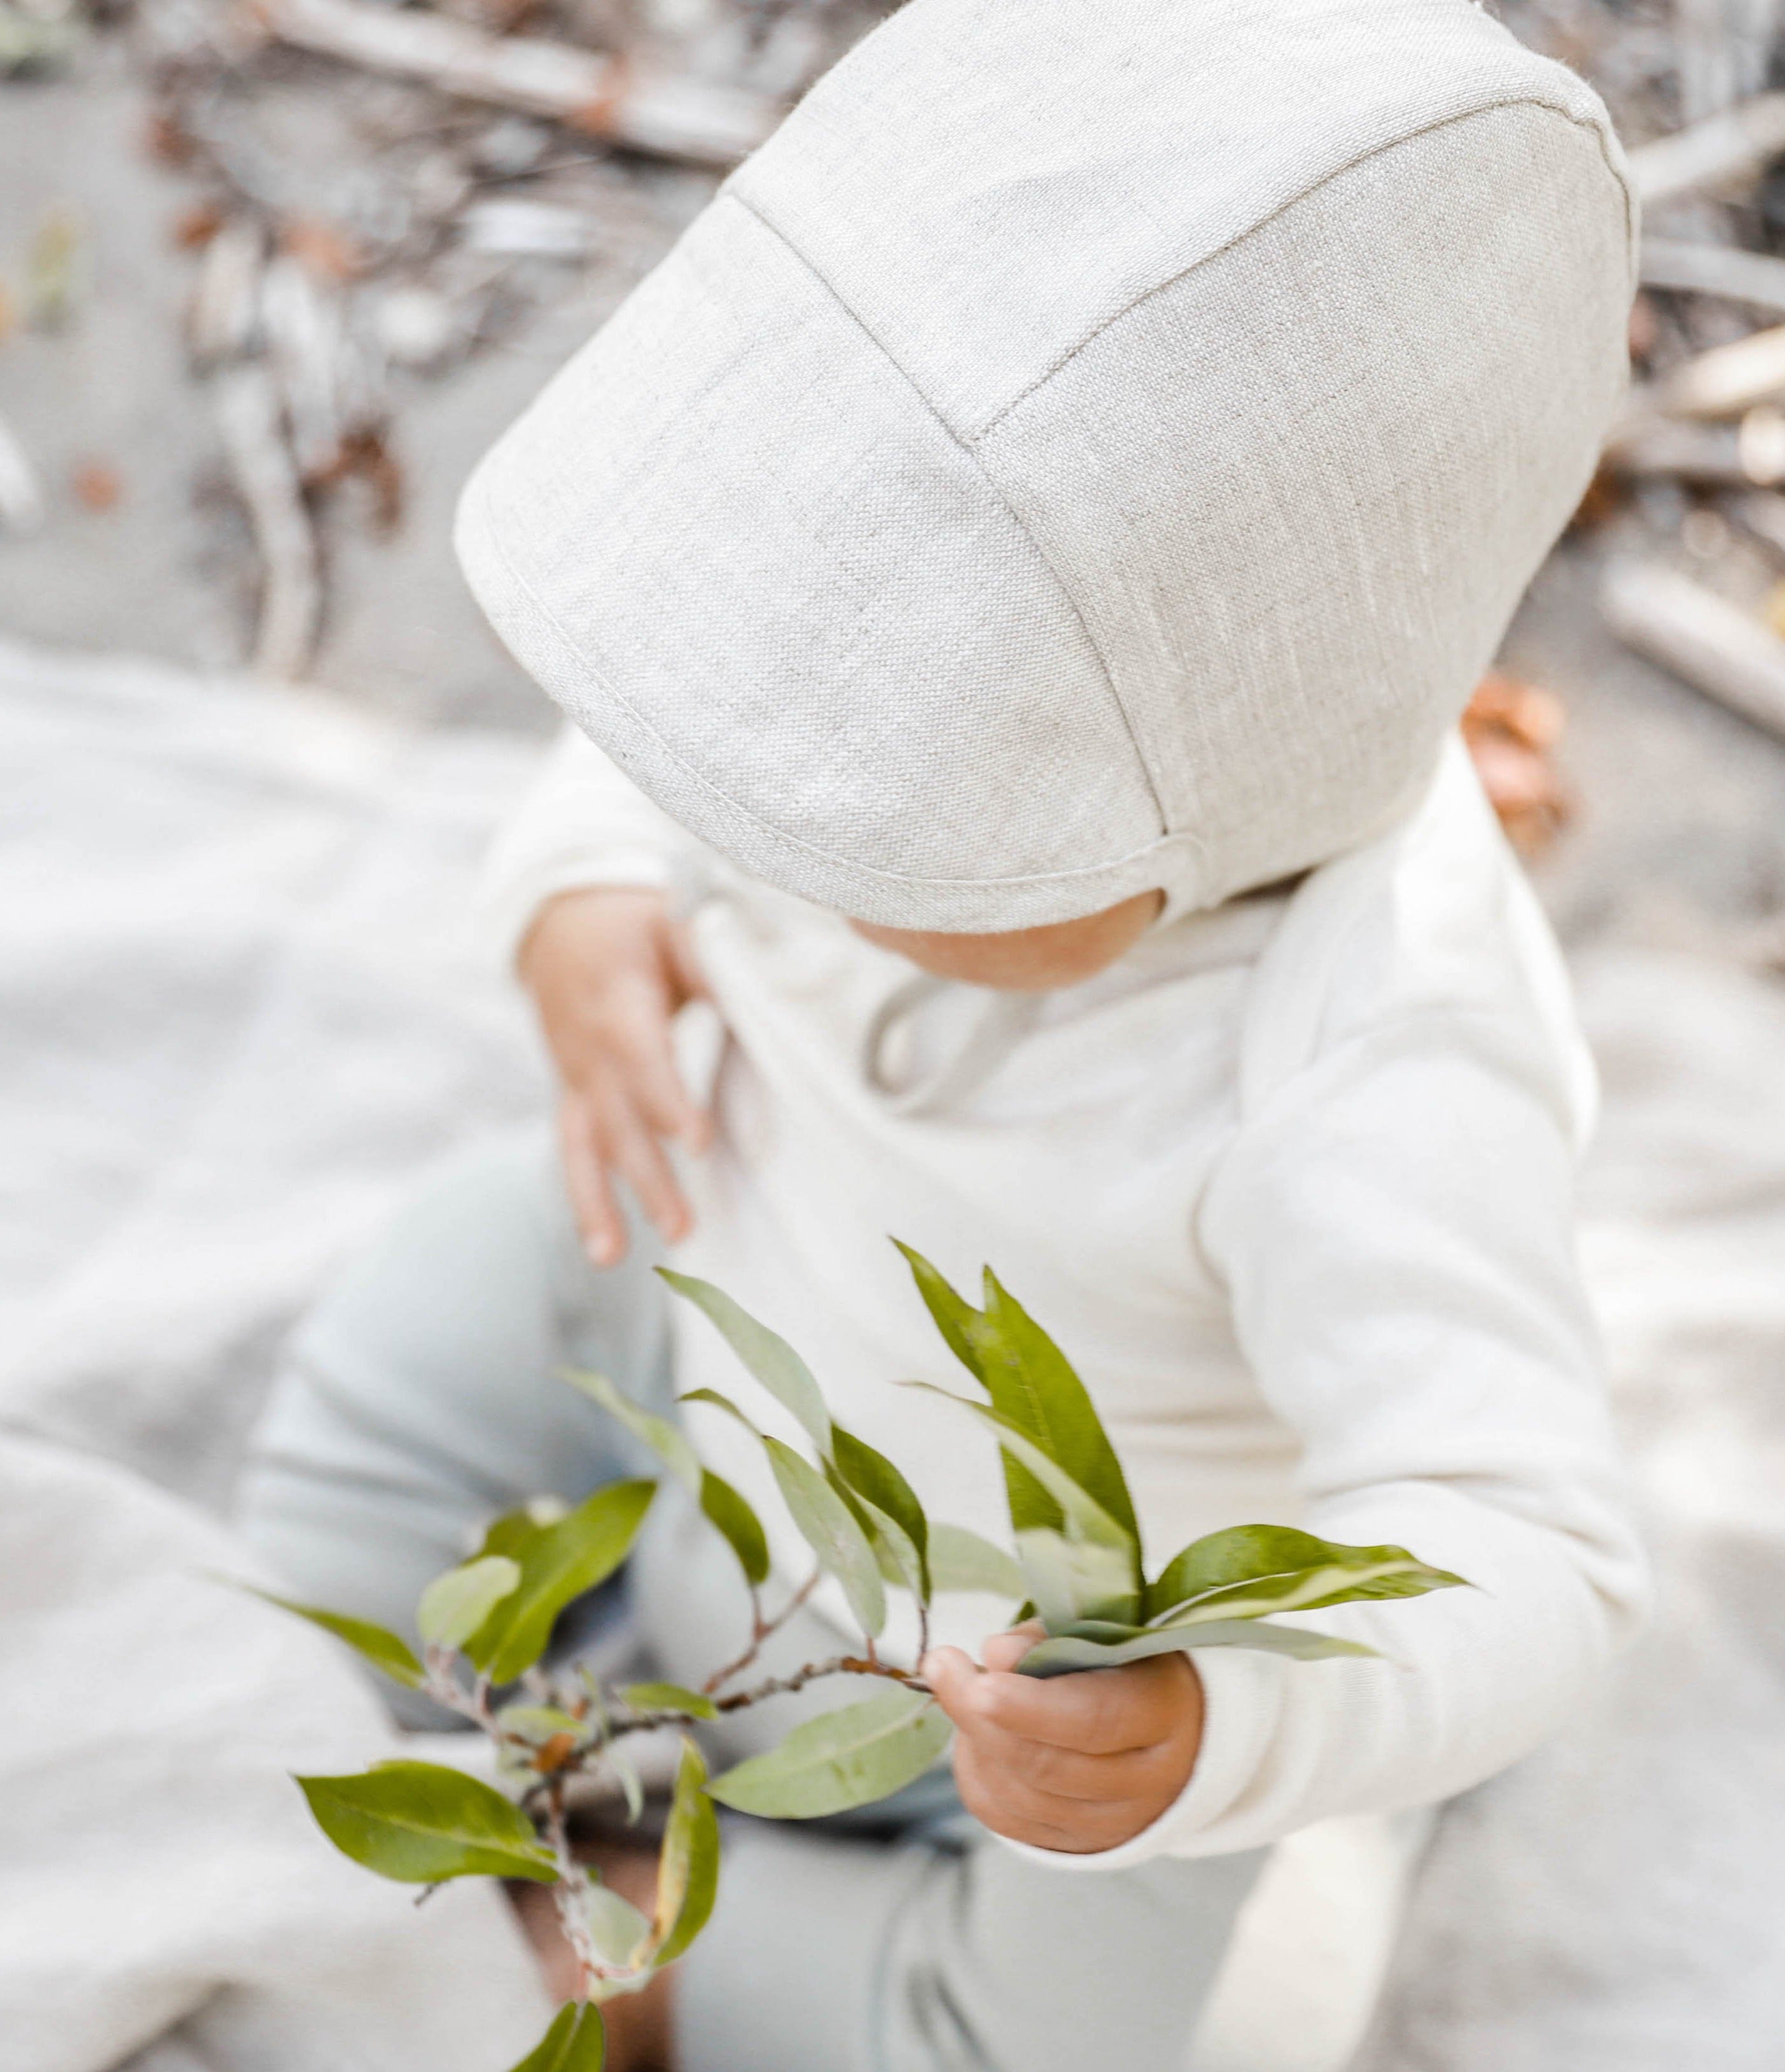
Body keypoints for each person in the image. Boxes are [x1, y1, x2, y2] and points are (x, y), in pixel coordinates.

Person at [237, 1, 1647, 2064]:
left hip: (1025, 1694)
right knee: (463, 1275)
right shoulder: (804, 720)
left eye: (904, 807)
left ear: (1229, 783)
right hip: (711, 1318)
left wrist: (1214, 1726)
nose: (767, 822)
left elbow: (1536, 1543)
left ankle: (674, 1941)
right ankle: (319, 1700)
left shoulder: (1374, 1078)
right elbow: (676, 726)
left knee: (1117, 2027)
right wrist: (580, 896)